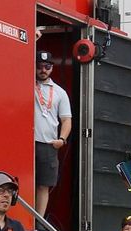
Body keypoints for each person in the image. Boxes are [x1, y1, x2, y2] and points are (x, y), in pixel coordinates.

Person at [34, 51, 72, 220]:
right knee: (23, 181)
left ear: (52, 68)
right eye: (39, 66)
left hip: (48, 144)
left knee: (44, 185)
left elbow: (66, 120)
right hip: (27, 142)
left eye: (47, 66)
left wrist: (62, 140)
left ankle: (38, 221)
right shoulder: (26, 84)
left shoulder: (59, 92)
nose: (43, 70)